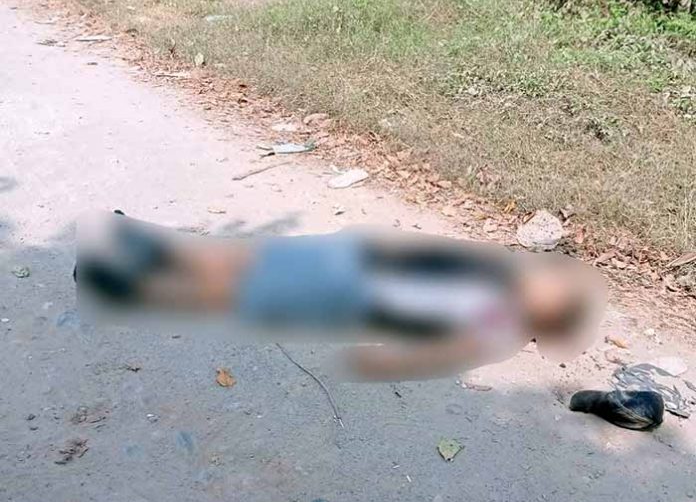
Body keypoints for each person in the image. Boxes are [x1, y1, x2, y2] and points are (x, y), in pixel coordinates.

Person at [75, 211, 606, 381]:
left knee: (240, 284)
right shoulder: (502, 278)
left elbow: (441, 347)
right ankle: (134, 255)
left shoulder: (501, 325)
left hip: (354, 291)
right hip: (357, 267)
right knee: (242, 269)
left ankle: (130, 270)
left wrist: (385, 363)